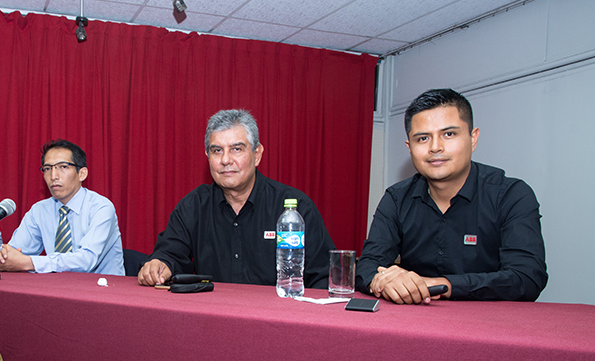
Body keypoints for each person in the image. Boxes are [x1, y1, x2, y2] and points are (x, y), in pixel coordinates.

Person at [356, 88, 547, 304]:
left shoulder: (511, 195)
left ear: (473, 138)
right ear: (410, 147)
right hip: (416, 319)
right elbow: (367, 266)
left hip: (492, 321)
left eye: (449, 134)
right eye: (423, 138)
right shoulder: (396, 198)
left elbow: (527, 278)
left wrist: (441, 285)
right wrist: (383, 281)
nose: (435, 147)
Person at [138, 109, 335, 288]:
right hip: (212, 313)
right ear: (208, 156)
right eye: (217, 150)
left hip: (278, 313)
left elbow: (324, 276)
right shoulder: (194, 206)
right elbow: (169, 254)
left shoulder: (295, 208)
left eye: (236, 149)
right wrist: (160, 265)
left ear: (257, 154)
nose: (225, 160)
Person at [0, 139, 124, 275]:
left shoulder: (101, 208)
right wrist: (3, 257)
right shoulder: (39, 210)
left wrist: (29, 263)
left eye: (63, 167)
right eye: (47, 169)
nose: (53, 176)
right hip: (55, 286)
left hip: (102, 286)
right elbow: (15, 252)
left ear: (82, 173)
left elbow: (86, 260)